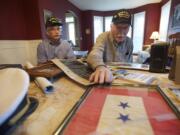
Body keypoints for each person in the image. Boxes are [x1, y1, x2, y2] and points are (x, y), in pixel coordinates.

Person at [87, 9, 133, 84]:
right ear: (111, 26)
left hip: (124, 78)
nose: (121, 32)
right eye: (118, 27)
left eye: (125, 28)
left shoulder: (129, 42)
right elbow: (94, 54)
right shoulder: (103, 36)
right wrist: (100, 67)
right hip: (105, 78)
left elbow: (130, 63)